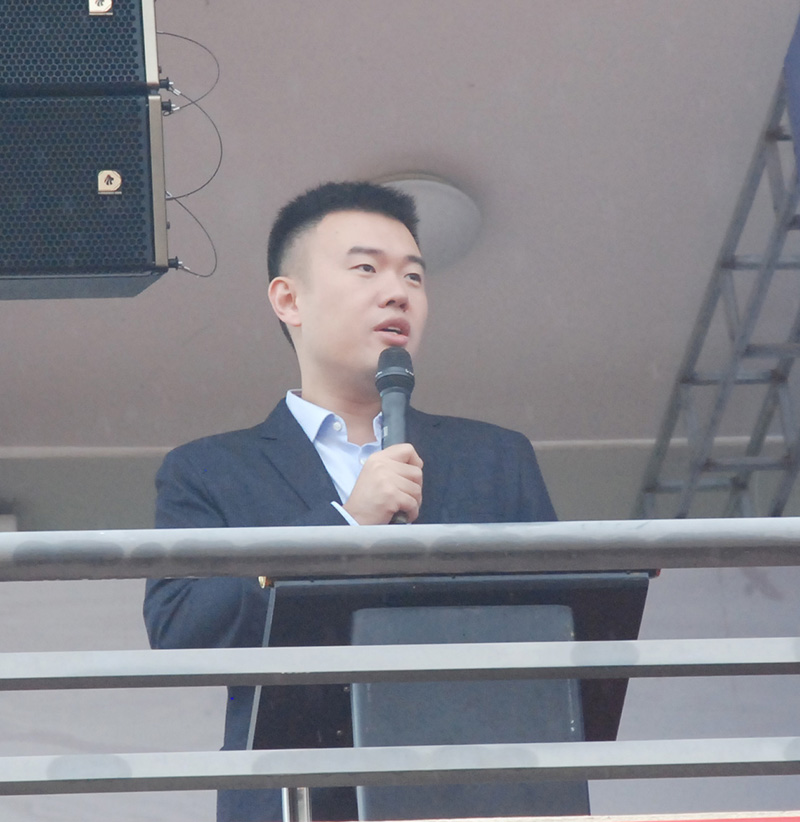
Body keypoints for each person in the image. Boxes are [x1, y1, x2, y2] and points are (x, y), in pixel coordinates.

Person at [143, 181, 556, 822]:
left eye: (414, 276)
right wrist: (343, 526)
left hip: (480, 794)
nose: (398, 292)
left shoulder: (496, 458)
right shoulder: (210, 471)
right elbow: (182, 636)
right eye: (366, 268)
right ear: (289, 299)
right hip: (297, 798)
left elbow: (559, 633)